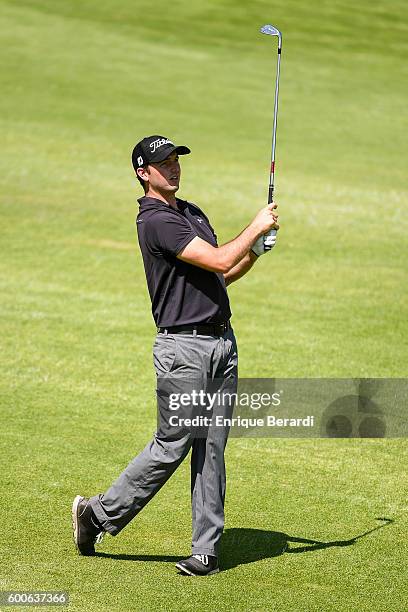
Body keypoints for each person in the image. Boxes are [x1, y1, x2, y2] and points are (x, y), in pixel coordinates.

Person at [72, 135, 279, 576]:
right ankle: (96, 515)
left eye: (175, 159)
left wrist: (257, 250)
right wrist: (255, 226)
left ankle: (205, 551)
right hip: (183, 350)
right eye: (162, 163)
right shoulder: (156, 221)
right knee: (173, 445)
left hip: (222, 344)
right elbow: (222, 260)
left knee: (212, 448)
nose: (173, 167)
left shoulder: (192, 213)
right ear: (143, 173)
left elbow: (222, 275)